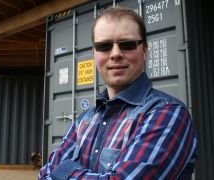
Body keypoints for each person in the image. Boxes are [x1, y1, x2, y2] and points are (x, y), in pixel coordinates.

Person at [39, 6, 197, 179]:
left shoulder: (168, 113)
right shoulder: (84, 120)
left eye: (127, 44)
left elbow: (54, 171)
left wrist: (65, 171)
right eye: (104, 46)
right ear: (94, 54)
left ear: (145, 50)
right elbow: (45, 174)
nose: (115, 54)